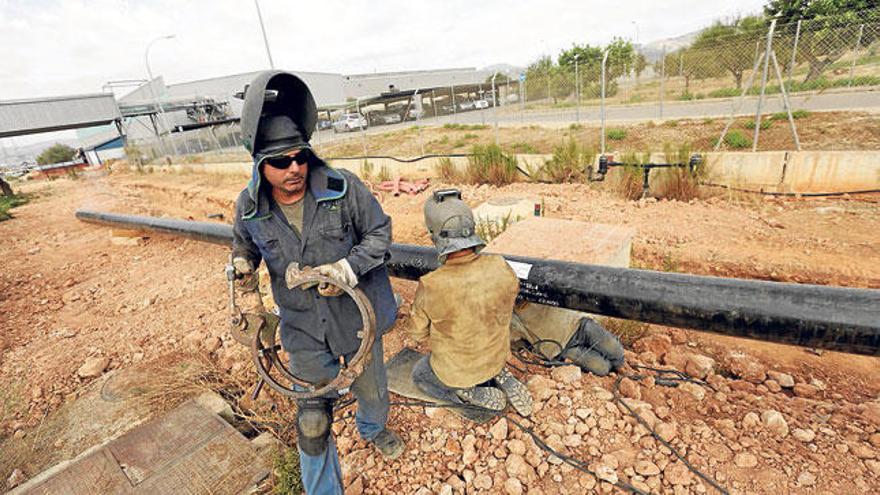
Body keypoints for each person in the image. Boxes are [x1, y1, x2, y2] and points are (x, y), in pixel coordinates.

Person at [231, 71, 403, 495]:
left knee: (373, 392)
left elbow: (380, 234)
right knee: (311, 420)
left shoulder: (342, 188)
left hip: (356, 321)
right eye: (280, 162)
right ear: (259, 166)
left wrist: (348, 268)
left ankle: (371, 428)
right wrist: (242, 265)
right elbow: (244, 246)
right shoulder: (250, 207)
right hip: (303, 328)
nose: (294, 168)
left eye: (300, 156)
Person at [408, 189, 533, 416]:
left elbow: (417, 334)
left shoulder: (431, 284)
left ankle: (465, 392)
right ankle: (499, 373)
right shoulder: (500, 265)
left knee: (420, 374)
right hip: (496, 356)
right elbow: (513, 304)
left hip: (458, 369)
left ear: (434, 236)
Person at [511, 303, 625, 376]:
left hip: (579, 326)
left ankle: (621, 368)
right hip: (562, 348)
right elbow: (512, 339)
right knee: (603, 368)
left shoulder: (539, 288)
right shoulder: (511, 315)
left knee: (616, 350)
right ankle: (615, 372)